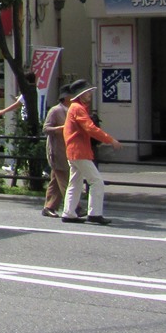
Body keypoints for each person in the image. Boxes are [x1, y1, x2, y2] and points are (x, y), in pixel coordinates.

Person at [61, 82, 122, 225]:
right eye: (87, 92)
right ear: (81, 95)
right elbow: (90, 128)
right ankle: (94, 214)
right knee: (97, 182)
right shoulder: (78, 108)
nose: (90, 94)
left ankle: (69, 213)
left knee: (75, 183)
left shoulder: (73, 108)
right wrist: (110, 140)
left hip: (74, 150)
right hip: (80, 151)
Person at [41, 82, 77, 217]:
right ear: (66, 96)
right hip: (56, 150)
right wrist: (61, 129)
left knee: (56, 181)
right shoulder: (56, 110)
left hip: (68, 149)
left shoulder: (72, 110)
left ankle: (49, 207)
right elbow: (46, 128)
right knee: (64, 179)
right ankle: (75, 206)